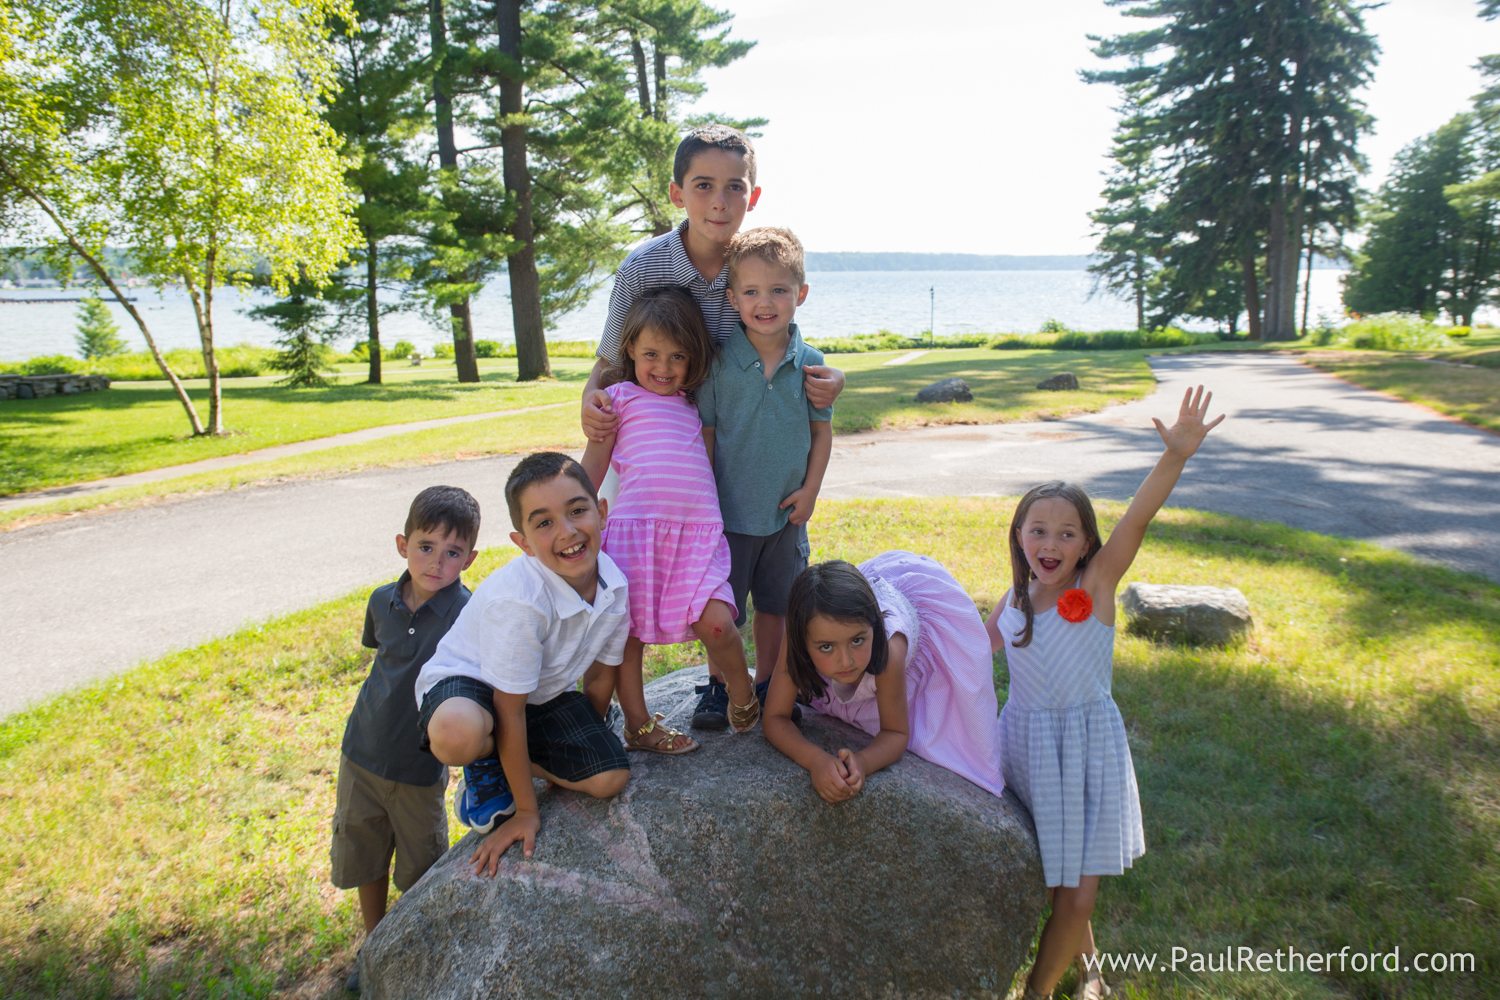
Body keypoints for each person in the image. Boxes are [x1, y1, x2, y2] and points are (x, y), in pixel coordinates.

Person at [985, 386, 1223, 1000]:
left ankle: (1036, 994)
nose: (1051, 545)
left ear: (1087, 545)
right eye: (1039, 531)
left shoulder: (1094, 588)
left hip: (1088, 753)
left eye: (1068, 534)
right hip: (1028, 752)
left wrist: (1175, 455)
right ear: (1018, 536)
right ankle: (1090, 969)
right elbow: (967, 657)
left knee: (1078, 894)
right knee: (1060, 879)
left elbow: (1137, 518)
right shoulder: (1012, 602)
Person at [414, 452, 631, 877]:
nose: (567, 531)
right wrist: (527, 811)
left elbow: (601, 674)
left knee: (610, 778)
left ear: (602, 512)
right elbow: (506, 707)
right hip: (471, 685)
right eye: (544, 522)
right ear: (524, 543)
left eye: (577, 510)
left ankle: (505, 757)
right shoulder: (520, 601)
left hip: (536, 694)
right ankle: (483, 759)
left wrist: (586, 734)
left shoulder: (615, 587)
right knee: (458, 734)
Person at [579, 124, 844, 447]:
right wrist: (590, 396)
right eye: (704, 185)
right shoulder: (641, 269)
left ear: (753, 197)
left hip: (733, 445)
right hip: (652, 440)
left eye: (734, 187)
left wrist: (834, 379)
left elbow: (782, 348)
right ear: (677, 194)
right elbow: (611, 362)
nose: (720, 202)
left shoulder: (760, 268)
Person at [580, 287, 759, 753]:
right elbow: (589, 474)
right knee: (628, 636)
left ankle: (742, 692)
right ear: (630, 351)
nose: (663, 367)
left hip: (697, 540)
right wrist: (571, 522)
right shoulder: (616, 401)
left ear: (693, 357)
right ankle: (638, 727)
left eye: (677, 356)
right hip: (633, 540)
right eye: (651, 355)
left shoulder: (698, 404)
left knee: (717, 623)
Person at [330, 485, 479, 993]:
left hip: (419, 767)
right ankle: (374, 947)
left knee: (421, 870)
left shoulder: (467, 613)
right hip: (362, 754)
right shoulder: (381, 600)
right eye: (426, 546)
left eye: (453, 552)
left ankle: (414, 954)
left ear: (470, 558)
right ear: (402, 545)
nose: (437, 562)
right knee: (364, 855)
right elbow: (382, 658)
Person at [695, 226, 832, 726]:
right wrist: (704, 501)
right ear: (733, 299)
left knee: (777, 606)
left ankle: (769, 682)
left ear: (801, 294)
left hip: (785, 515)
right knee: (723, 608)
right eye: (751, 291)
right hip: (727, 516)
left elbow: (821, 434)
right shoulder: (718, 363)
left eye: (778, 290)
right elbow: (707, 435)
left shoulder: (812, 365)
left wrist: (810, 492)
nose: (765, 303)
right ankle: (719, 686)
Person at [761, 553, 1005, 802]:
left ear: (873, 628)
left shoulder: (889, 651)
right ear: (803, 640)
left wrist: (863, 762)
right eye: (826, 647)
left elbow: (895, 733)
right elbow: (775, 718)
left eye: (857, 640)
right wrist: (816, 760)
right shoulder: (801, 630)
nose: (846, 661)